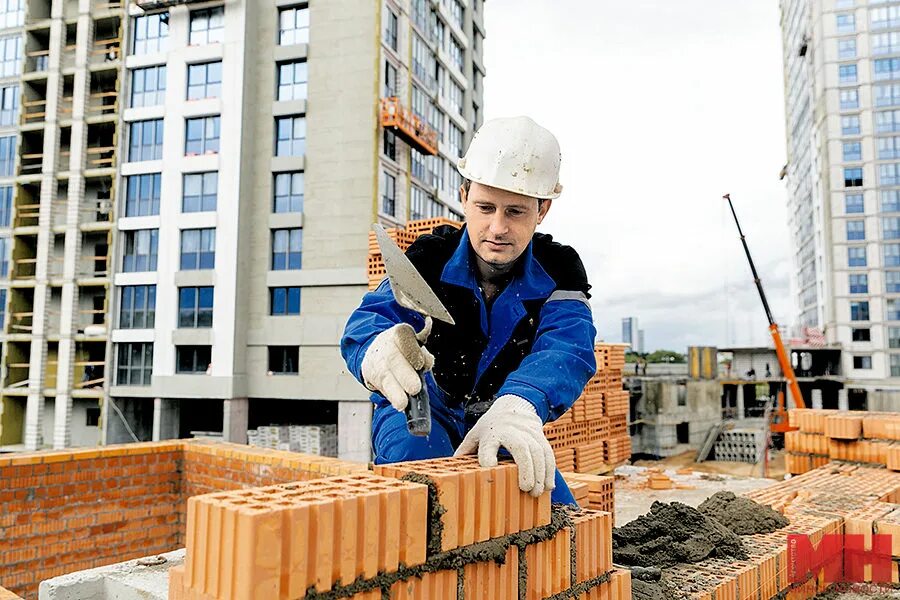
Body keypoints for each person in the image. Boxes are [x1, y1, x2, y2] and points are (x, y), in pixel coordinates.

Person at [341, 117, 597, 504]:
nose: (497, 227)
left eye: (515, 212)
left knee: (556, 518)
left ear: (541, 210)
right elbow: (373, 321)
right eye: (484, 207)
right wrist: (375, 348)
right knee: (420, 495)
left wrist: (520, 404)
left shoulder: (559, 269)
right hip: (424, 409)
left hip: (505, 414)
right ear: (464, 197)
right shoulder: (430, 258)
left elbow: (567, 348)